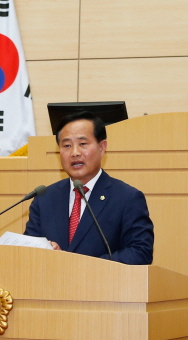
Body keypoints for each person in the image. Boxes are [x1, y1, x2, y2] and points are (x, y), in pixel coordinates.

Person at [24, 111, 154, 264]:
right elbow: (27, 252)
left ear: (102, 148)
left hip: (103, 279)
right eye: (67, 146)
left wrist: (83, 266)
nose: (75, 153)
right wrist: (45, 251)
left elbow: (140, 252)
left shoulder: (127, 198)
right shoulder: (44, 198)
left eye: (83, 144)